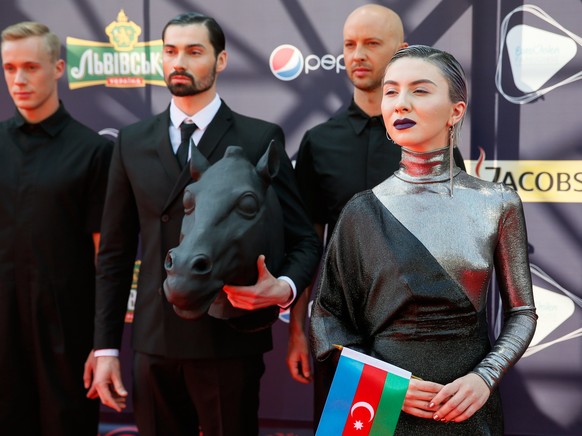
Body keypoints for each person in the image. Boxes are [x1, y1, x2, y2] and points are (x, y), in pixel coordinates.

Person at [87, 12, 321, 436]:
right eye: (171, 51)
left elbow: (304, 239)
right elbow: (116, 254)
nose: (180, 61)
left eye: (194, 52)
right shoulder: (132, 141)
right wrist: (105, 347)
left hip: (230, 342)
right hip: (154, 342)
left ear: (221, 60)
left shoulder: (259, 138)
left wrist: (282, 290)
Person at [310, 45, 537, 434]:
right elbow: (329, 320)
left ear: (455, 111)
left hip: (468, 406)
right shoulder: (360, 211)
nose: (401, 104)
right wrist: (386, 385)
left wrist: (485, 377)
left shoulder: (497, 203)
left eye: (419, 90)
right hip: (381, 408)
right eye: (391, 91)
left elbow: (522, 313)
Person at [286, 4, 466, 425]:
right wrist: (298, 330)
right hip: (340, 334)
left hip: (418, 333)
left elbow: (454, 244)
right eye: (350, 45)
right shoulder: (318, 142)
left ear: (401, 51)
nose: (358, 54)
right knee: (345, 430)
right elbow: (307, 243)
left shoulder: (432, 139)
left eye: (371, 43)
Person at [0, 21, 113, 435]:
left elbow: (108, 258)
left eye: (30, 66)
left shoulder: (94, 151)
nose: (19, 79)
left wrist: (103, 344)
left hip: (68, 336)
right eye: (9, 68)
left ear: (59, 69)